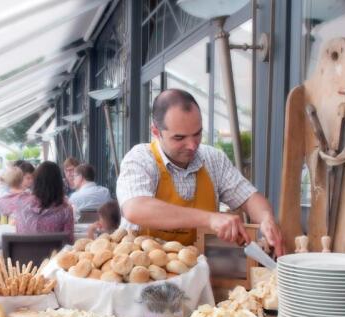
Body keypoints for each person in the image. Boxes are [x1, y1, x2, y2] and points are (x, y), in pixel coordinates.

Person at [116, 89, 285, 255]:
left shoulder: (213, 159)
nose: (192, 145)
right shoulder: (140, 158)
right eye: (179, 138)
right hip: (142, 272)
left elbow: (249, 198)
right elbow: (135, 209)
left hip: (199, 271)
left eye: (197, 134)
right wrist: (210, 219)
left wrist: (266, 219)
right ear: (156, 132)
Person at [13, 161, 74, 243]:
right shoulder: (66, 210)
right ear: (59, 183)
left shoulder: (21, 205)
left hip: (24, 255)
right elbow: (69, 242)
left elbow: (18, 233)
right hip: (54, 255)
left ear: (36, 181)